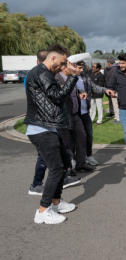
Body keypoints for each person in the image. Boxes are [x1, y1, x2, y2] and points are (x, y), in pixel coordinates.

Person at [25, 44, 82, 224]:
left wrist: (69, 75)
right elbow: (57, 96)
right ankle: (43, 210)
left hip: (48, 127)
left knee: (64, 164)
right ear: (53, 58)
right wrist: (73, 77)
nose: (63, 66)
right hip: (41, 129)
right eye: (62, 63)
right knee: (57, 169)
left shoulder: (45, 73)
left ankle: (56, 203)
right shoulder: (42, 73)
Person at [56, 65, 96, 173]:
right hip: (63, 116)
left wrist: (80, 92)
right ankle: (68, 167)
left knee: (82, 138)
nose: (74, 68)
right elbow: (60, 95)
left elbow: (73, 92)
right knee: (66, 143)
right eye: (71, 66)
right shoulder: (56, 78)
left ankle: (81, 164)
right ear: (63, 67)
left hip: (75, 114)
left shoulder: (71, 78)